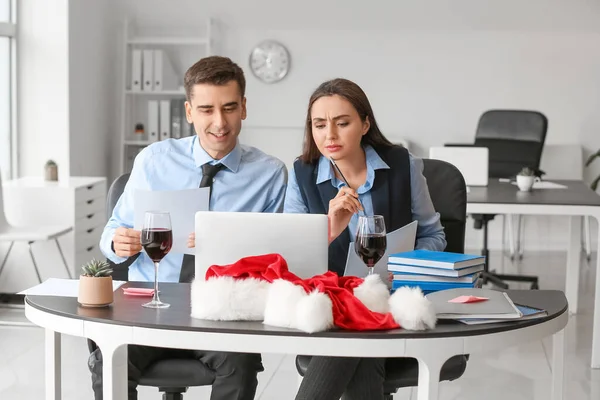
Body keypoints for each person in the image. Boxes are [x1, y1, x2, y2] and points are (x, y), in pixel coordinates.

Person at [90, 56, 288, 400]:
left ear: (243, 107)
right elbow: (113, 231)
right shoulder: (153, 160)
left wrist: (227, 246)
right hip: (150, 304)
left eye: (228, 107)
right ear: (189, 111)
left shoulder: (270, 174)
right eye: (206, 109)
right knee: (110, 360)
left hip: (223, 312)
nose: (219, 122)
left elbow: (277, 260)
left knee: (240, 369)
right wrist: (117, 242)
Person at [284, 78, 446, 400]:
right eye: (319, 125)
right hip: (334, 300)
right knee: (361, 339)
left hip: (391, 293)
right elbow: (293, 260)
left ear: (365, 124)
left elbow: (433, 234)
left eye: (342, 123)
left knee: (360, 328)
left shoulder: (403, 165)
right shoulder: (302, 175)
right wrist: (330, 228)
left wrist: (402, 266)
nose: (329, 135)